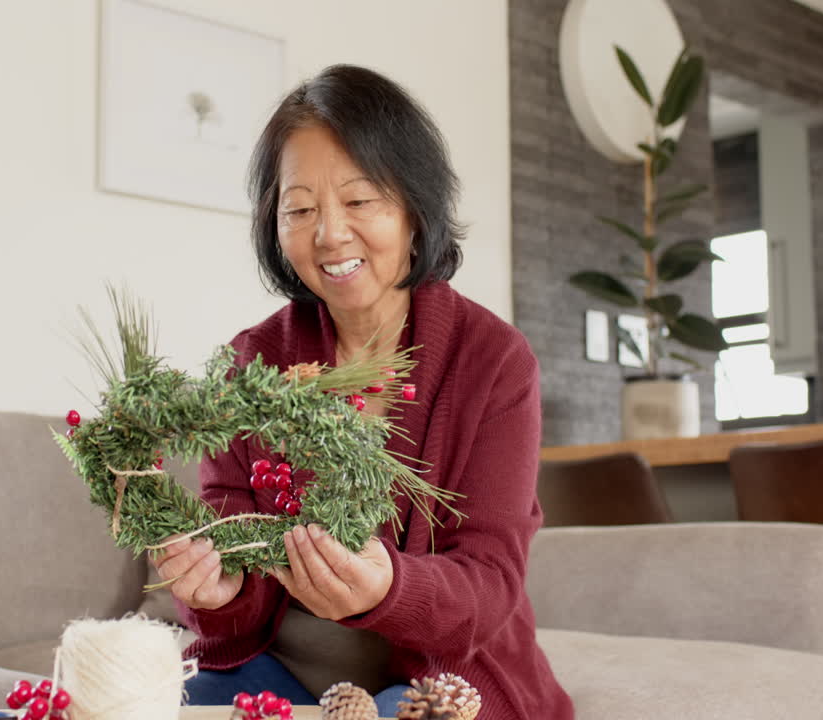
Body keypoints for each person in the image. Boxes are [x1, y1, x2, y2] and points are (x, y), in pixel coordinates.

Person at [151, 64, 572, 720]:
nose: (330, 234)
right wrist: (219, 589)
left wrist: (391, 587)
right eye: (300, 209)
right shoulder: (251, 363)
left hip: (442, 676)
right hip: (283, 672)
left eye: (359, 200)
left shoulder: (493, 361)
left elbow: (490, 583)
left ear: (412, 206)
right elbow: (235, 589)